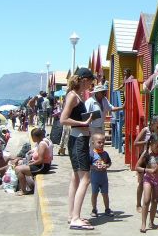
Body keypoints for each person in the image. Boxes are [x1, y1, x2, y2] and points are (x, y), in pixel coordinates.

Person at [60, 67, 95, 231]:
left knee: (75, 178)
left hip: (76, 139)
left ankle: (71, 215)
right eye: (90, 81)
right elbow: (63, 119)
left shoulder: (75, 95)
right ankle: (75, 218)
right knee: (85, 179)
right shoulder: (73, 97)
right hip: (79, 140)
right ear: (84, 80)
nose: (91, 84)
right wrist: (83, 123)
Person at [15, 128, 53, 195]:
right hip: (40, 165)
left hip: (42, 166)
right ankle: (29, 187)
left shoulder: (42, 145)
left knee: (18, 169)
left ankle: (23, 190)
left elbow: (40, 160)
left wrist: (30, 164)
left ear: (35, 137)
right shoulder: (39, 143)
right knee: (20, 166)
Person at [85, 84, 124, 149]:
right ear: (97, 93)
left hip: (101, 126)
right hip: (92, 127)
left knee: (101, 144)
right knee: (92, 145)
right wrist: (87, 129)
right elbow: (86, 116)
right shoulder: (90, 102)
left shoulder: (104, 99)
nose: (104, 93)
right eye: (102, 92)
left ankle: (99, 158)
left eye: (104, 91)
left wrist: (122, 108)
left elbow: (111, 108)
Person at [89, 133, 113, 218]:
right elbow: (88, 165)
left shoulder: (105, 153)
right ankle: (94, 209)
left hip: (104, 178)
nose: (101, 144)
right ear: (93, 143)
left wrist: (106, 166)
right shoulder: (91, 154)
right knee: (94, 194)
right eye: (99, 142)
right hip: (94, 178)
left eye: (103, 142)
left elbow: (109, 163)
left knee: (105, 194)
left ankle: (107, 209)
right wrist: (94, 167)